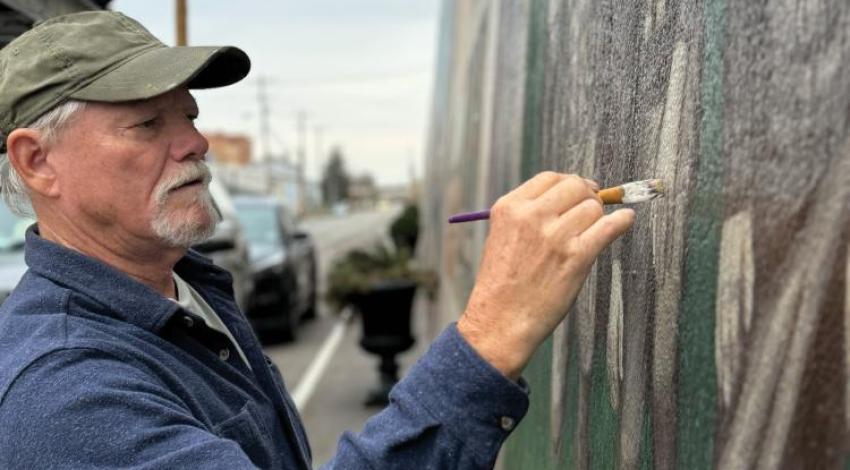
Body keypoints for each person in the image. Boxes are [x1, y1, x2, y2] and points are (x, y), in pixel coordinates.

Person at [0, 10, 634, 470]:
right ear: (37, 163)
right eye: (145, 123)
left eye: (189, 116)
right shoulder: (63, 397)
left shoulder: (185, 290)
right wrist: (492, 334)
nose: (195, 143)